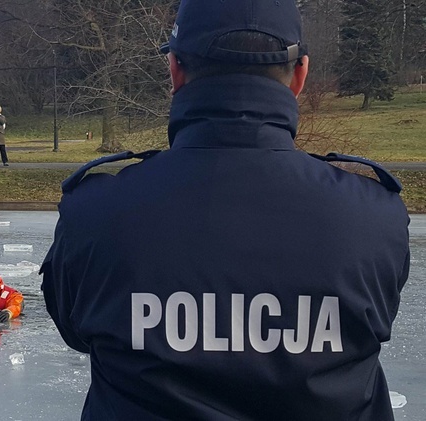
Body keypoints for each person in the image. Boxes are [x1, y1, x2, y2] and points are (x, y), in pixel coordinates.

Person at [40, 1, 411, 420]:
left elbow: (75, 332)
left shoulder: (94, 213)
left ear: (175, 70)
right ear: (301, 76)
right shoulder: (373, 216)